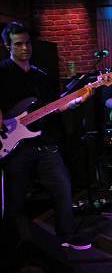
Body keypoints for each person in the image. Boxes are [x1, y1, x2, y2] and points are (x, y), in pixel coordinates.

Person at [0, 22, 92, 251]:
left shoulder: (43, 75)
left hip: (44, 141)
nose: (24, 48)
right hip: (13, 145)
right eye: (18, 44)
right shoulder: (1, 72)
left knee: (63, 186)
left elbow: (56, 107)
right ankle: (12, 243)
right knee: (15, 198)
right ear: (7, 46)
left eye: (27, 43)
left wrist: (74, 102)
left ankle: (67, 234)